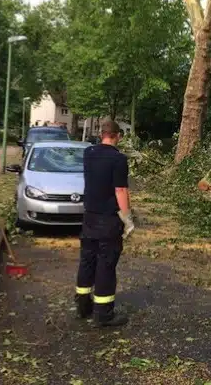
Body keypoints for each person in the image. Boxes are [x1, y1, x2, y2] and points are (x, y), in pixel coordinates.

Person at [75, 120, 134, 327]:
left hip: (89, 216)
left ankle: (83, 305)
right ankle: (103, 314)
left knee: (87, 260)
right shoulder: (118, 159)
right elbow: (120, 190)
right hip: (108, 219)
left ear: (102, 134)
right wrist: (127, 218)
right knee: (106, 264)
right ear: (117, 135)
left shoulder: (88, 154)